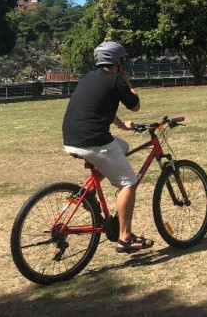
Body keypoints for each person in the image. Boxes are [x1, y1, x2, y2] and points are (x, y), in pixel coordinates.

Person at [61, 41, 153, 254]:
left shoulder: (88, 79)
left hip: (72, 139)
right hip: (94, 141)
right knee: (129, 181)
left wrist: (122, 125)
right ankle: (125, 238)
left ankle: (90, 190)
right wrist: (128, 82)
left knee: (122, 145)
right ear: (118, 62)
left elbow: (101, 108)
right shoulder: (116, 80)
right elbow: (135, 105)